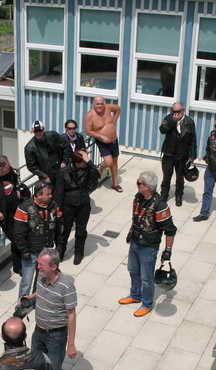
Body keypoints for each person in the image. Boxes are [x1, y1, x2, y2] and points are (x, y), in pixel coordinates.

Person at [20, 248, 76, 370]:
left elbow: (71, 315)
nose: (37, 267)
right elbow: (41, 291)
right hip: (39, 331)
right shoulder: (42, 277)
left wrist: (71, 344)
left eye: (41, 265)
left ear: (53, 267)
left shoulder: (66, 286)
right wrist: (30, 297)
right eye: (38, 264)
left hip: (56, 336)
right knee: (36, 364)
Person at [119, 172, 177, 317]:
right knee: (133, 270)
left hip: (148, 247)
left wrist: (167, 251)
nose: (137, 185)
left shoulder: (160, 205)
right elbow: (136, 218)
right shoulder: (138, 197)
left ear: (148, 187)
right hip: (135, 241)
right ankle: (135, 295)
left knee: (146, 278)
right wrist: (130, 233)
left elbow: (170, 230)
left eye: (140, 183)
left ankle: (147, 303)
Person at [13, 181, 62, 299]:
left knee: (41, 280)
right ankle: (22, 304)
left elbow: (59, 226)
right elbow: (18, 233)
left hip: (46, 252)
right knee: (26, 281)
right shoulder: (24, 208)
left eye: (51, 193)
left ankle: (36, 301)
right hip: (31, 253)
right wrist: (24, 251)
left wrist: (59, 245)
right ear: (39, 195)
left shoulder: (53, 206)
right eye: (48, 194)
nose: (51, 196)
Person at [54, 149, 100, 265]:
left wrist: (89, 162)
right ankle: (60, 252)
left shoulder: (88, 169)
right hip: (68, 205)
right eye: (84, 161)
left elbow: (97, 175)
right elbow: (59, 191)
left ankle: (78, 253)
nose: (86, 163)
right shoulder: (64, 171)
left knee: (80, 231)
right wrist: (58, 208)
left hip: (83, 203)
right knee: (64, 230)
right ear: (78, 162)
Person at [158, 102, 197, 206]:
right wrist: (172, 122)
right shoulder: (168, 118)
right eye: (173, 111)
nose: (175, 113)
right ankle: (164, 195)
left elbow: (193, 140)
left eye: (178, 111)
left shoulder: (189, 122)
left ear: (183, 111)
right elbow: (162, 130)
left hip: (182, 155)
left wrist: (192, 156)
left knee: (180, 178)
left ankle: (179, 196)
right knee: (166, 177)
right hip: (168, 154)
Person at [84, 96, 122, 192]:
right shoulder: (90, 115)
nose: (100, 106)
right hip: (102, 142)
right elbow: (88, 131)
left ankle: (115, 184)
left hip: (114, 140)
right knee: (109, 162)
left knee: (114, 161)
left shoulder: (108, 107)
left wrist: (114, 121)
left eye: (101, 103)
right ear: (94, 104)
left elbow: (118, 109)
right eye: (97, 104)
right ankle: (101, 168)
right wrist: (100, 136)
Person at [24, 120, 69, 185]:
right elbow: (31, 166)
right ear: (33, 131)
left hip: (60, 170)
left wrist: (64, 161)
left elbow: (65, 146)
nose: (38, 133)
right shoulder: (29, 148)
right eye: (36, 131)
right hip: (47, 176)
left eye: (40, 130)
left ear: (43, 129)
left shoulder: (53, 135)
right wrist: (44, 176)